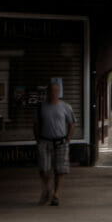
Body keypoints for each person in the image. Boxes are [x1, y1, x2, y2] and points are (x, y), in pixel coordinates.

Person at [34, 78, 76, 206]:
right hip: (45, 141)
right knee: (44, 169)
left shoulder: (65, 107)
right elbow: (36, 124)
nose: (54, 93)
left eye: (56, 91)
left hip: (61, 141)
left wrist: (68, 138)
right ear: (47, 92)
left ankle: (56, 194)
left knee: (60, 169)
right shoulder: (41, 107)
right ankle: (47, 189)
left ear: (59, 92)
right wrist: (38, 139)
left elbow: (72, 123)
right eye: (51, 91)